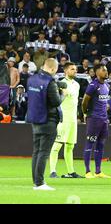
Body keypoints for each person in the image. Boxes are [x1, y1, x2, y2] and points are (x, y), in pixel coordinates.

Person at [27, 58, 65, 190]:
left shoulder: (31, 79)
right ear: (53, 69)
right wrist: (63, 94)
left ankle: (36, 181)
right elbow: (55, 102)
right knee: (43, 153)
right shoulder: (50, 82)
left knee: (36, 152)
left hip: (35, 119)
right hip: (48, 120)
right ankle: (40, 183)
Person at [49, 62, 84, 179]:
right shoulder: (60, 84)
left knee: (70, 146)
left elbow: (76, 102)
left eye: (75, 69)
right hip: (62, 119)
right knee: (57, 145)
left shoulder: (77, 85)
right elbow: (55, 100)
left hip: (73, 119)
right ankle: (52, 171)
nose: (75, 71)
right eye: (72, 69)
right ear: (65, 71)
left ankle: (71, 171)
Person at [81, 64, 111, 179]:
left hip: (104, 119)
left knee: (101, 144)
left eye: (106, 70)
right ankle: (88, 171)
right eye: (104, 70)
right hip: (93, 118)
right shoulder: (93, 85)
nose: (106, 72)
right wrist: (85, 113)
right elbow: (84, 101)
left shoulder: (107, 86)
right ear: (97, 72)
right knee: (90, 143)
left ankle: (98, 171)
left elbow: (103, 101)